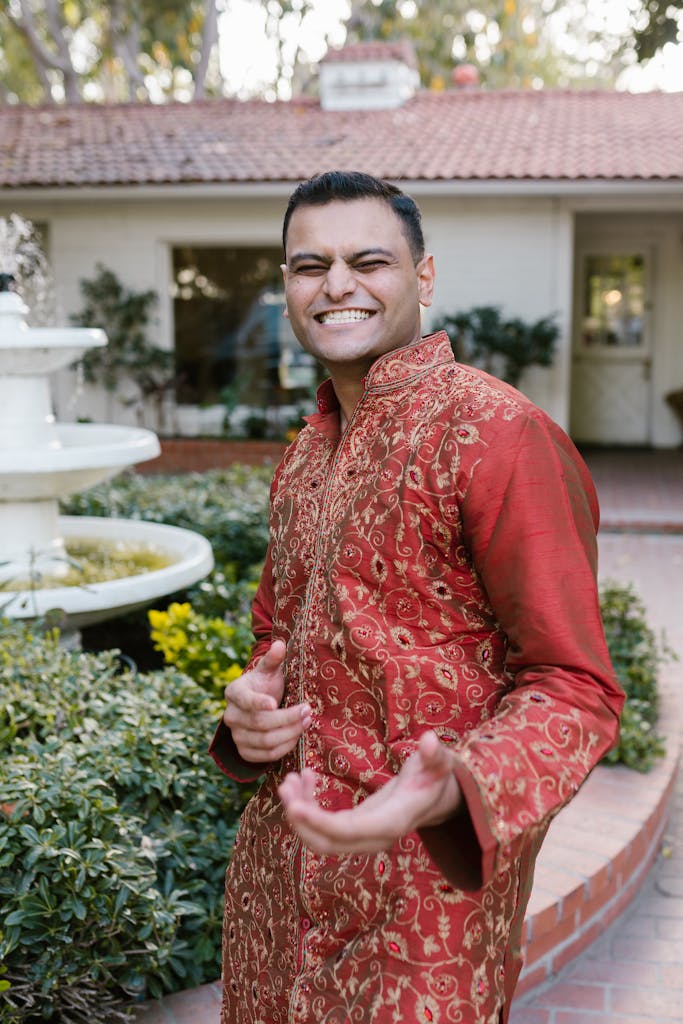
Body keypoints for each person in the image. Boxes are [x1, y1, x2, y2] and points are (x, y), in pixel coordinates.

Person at [209, 170, 624, 1024]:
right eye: (307, 266)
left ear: (423, 277)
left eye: (369, 261)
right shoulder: (304, 454)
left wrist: (451, 788)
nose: (336, 287)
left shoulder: (497, 434)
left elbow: (574, 687)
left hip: (424, 896)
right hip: (275, 879)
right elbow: (273, 640)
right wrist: (249, 713)